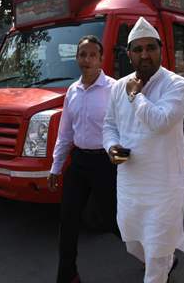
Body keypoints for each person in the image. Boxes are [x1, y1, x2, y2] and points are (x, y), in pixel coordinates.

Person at [102, 16, 184, 283]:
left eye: (150, 48)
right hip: (130, 184)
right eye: (138, 49)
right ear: (129, 55)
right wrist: (111, 146)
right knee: (133, 242)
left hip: (164, 187)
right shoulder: (118, 87)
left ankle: (162, 267)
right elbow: (109, 125)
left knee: (157, 253)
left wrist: (136, 96)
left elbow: (161, 122)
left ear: (161, 50)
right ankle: (165, 262)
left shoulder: (175, 84)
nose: (145, 54)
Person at [47, 35, 118, 283]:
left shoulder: (114, 89)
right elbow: (65, 132)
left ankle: (156, 259)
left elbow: (127, 128)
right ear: (77, 58)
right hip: (78, 163)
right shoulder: (72, 91)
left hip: (105, 163)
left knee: (114, 222)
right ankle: (67, 276)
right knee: (68, 220)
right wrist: (56, 167)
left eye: (91, 55)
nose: (86, 60)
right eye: (82, 55)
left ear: (100, 59)